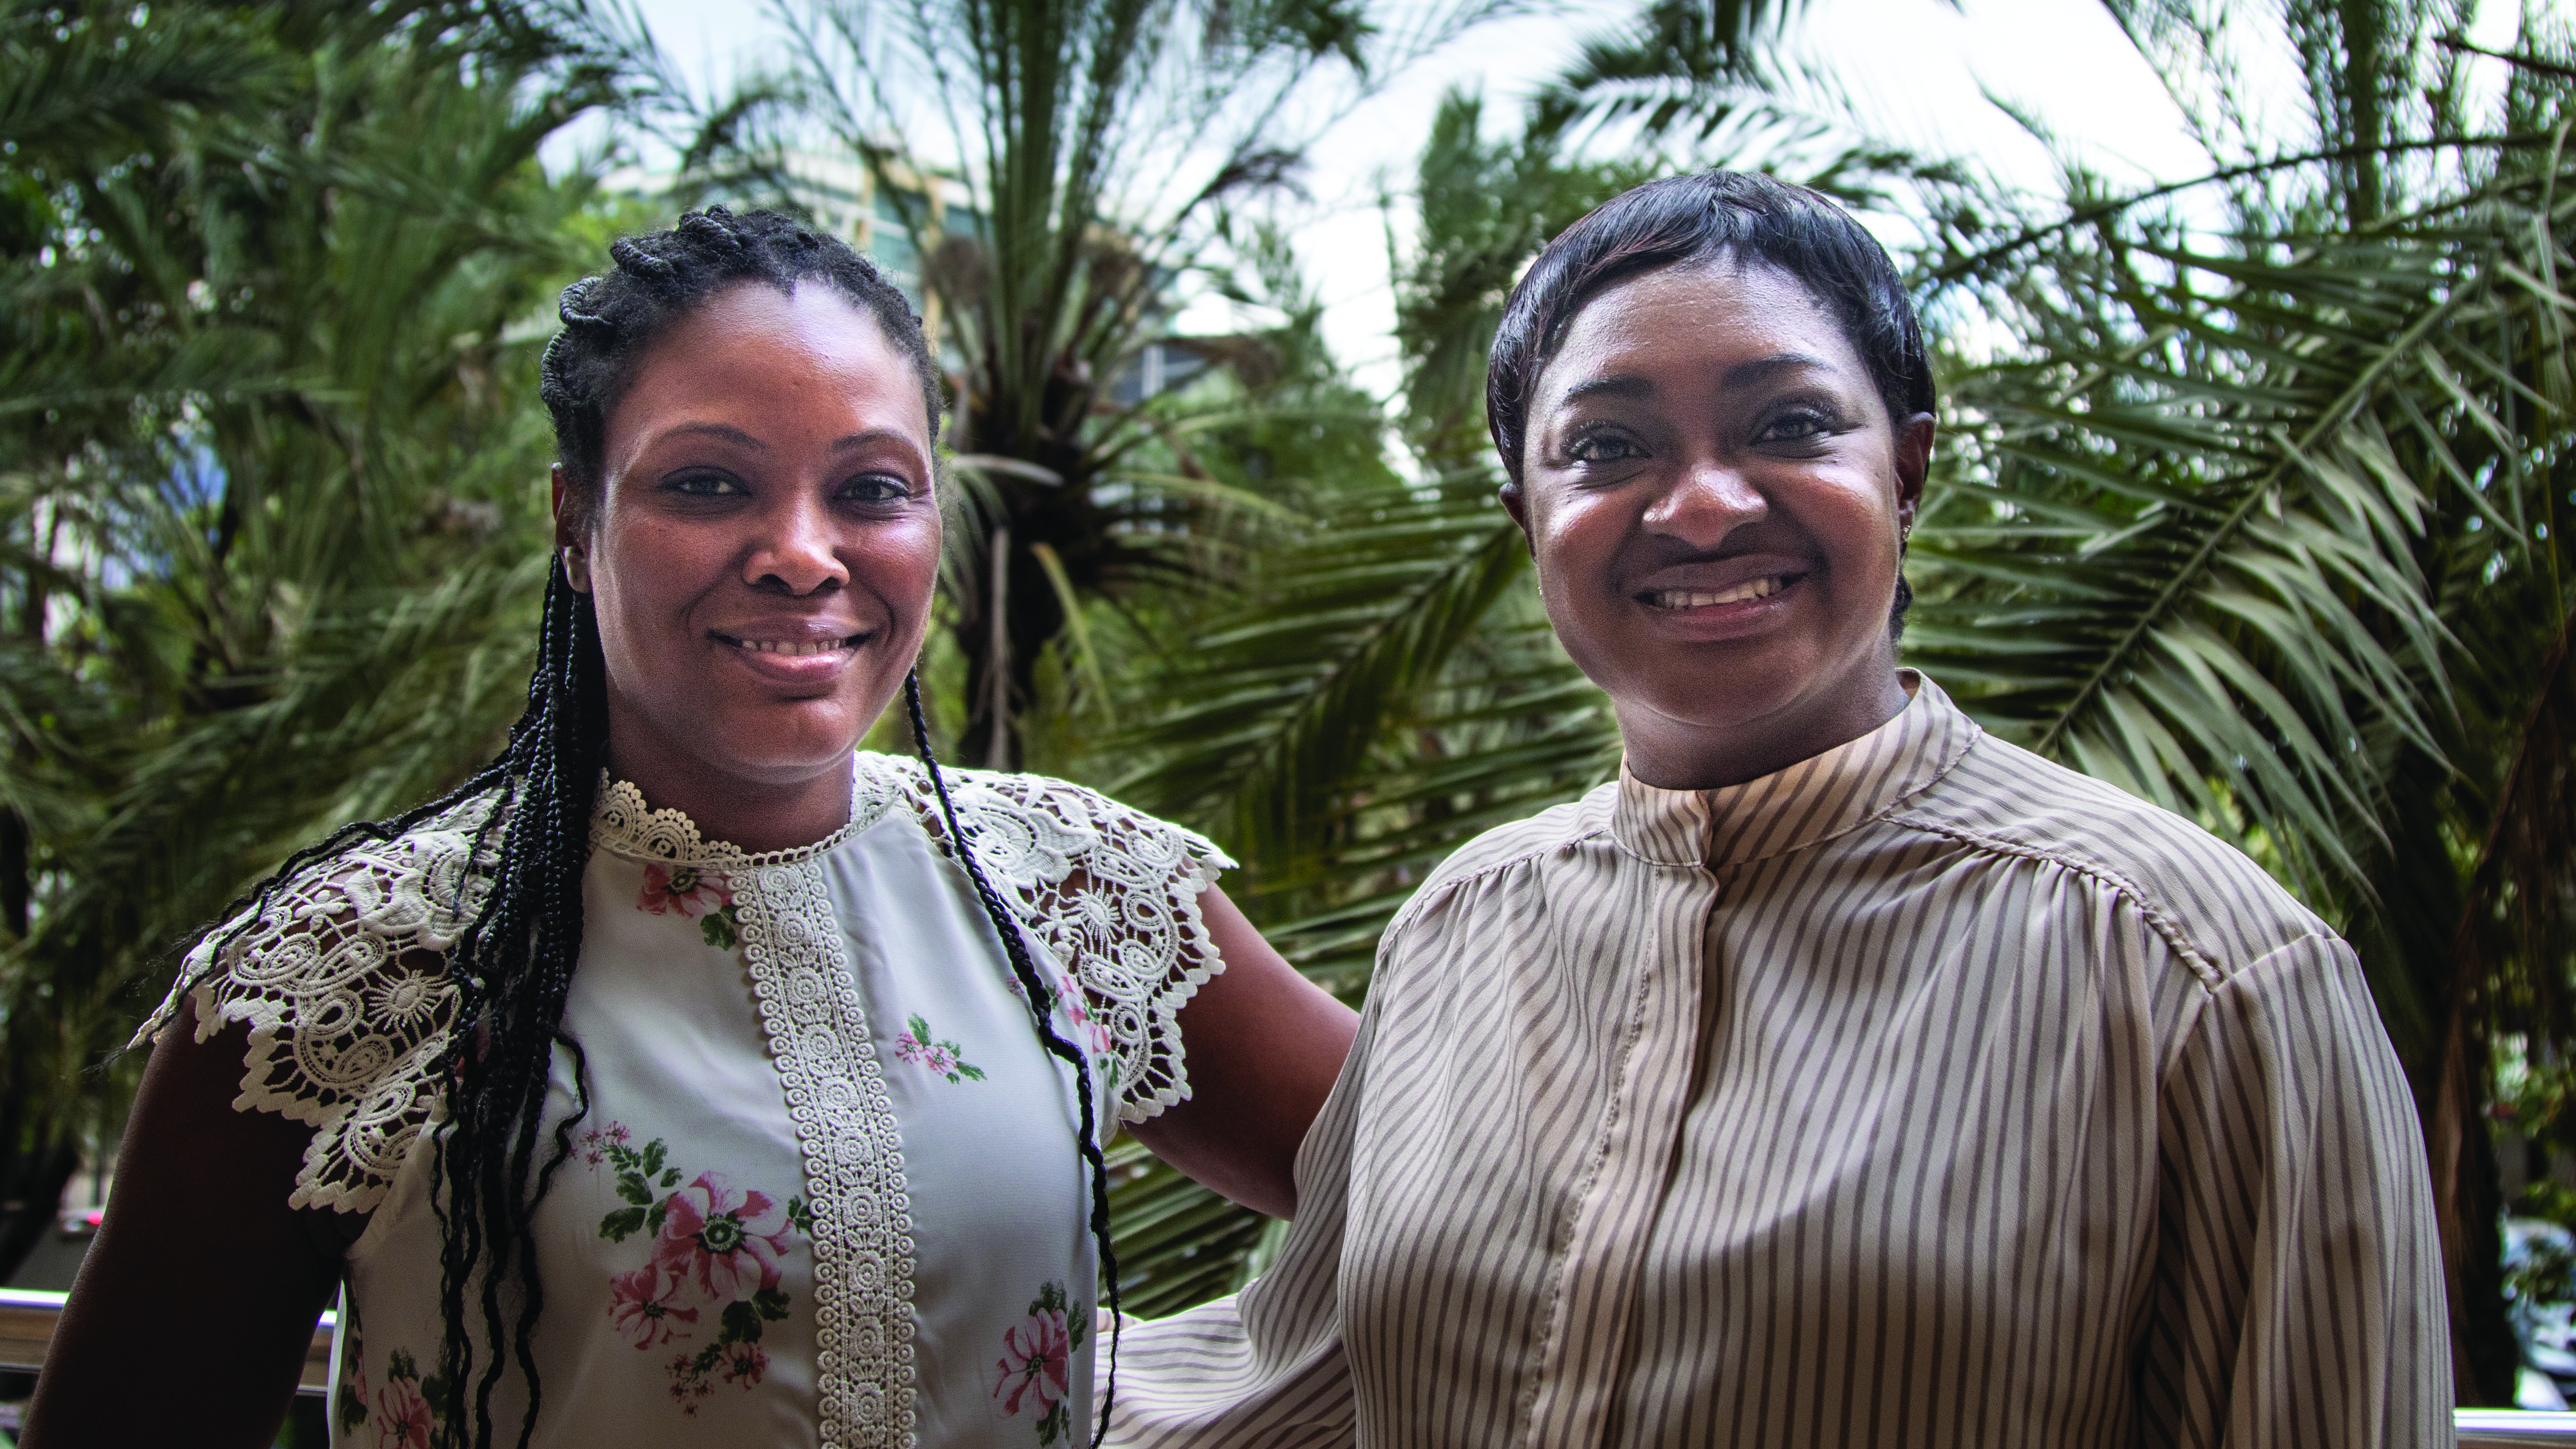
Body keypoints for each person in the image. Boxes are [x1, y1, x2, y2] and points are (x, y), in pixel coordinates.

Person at [1106, 171, 2450, 1447]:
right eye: (1608, 446)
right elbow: (1297, 1384)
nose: (1700, 505)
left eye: (1789, 424)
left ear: (1908, 469)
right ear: (1525, 508)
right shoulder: (1461, 928)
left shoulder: (2193, 971)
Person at [25, 207, 1357, 1449]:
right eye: (710, 485)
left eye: (872, 489)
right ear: (572, 517)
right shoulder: (344, 976)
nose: (801, 549)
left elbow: (1470, 1174)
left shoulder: (1073, 890)